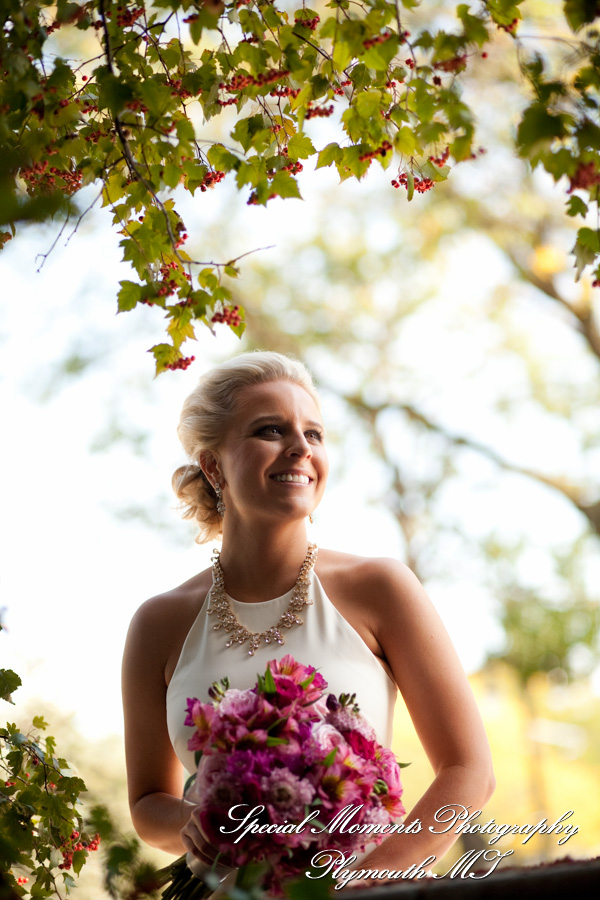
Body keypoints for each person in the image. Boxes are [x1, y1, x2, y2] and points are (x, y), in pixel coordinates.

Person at [122, 350, 495, 892]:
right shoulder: (158, 623)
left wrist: (363, 883)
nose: (301, 447)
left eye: (314, 433)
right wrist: (194, 822)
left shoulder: (381, 589)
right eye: (271, 430)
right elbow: (146, 804)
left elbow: (469, 771)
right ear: (213, 466)